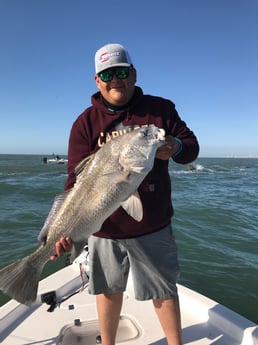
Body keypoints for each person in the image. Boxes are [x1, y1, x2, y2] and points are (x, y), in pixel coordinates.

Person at [52, 43, 199, 345]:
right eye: (107, 74)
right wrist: (60, 232)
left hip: (153, 225)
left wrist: (176, 147)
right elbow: (74, 182)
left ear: (133, 74)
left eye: (121, 72)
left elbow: (190, 147)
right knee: (107, 290)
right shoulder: (84, 123)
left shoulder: (161, 109)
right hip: (103, 230)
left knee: (164, 290)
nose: (115, 80)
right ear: (97, 80)